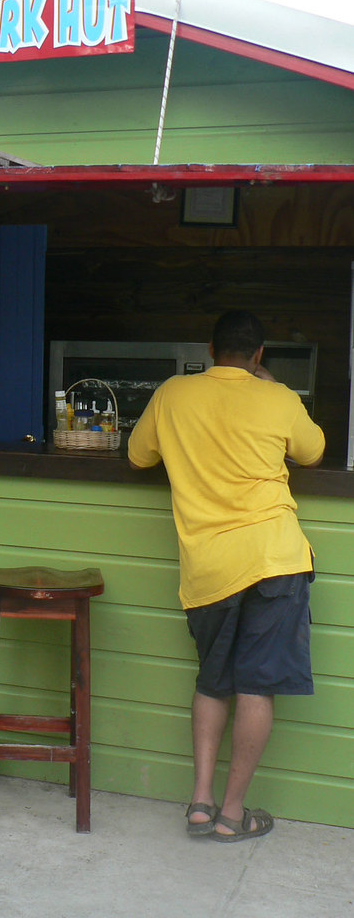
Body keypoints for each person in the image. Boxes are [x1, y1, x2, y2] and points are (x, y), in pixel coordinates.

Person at [127, 310, 324, 842]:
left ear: (211, 349)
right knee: (257, 688)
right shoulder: (279, 398)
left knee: (213, 682)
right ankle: (233, 816)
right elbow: (313, 450)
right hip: (275, 559)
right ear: (258, 355)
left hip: (209, 567)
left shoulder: (173, 393)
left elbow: (138, 454)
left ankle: (199, 802)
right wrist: (273, 387)